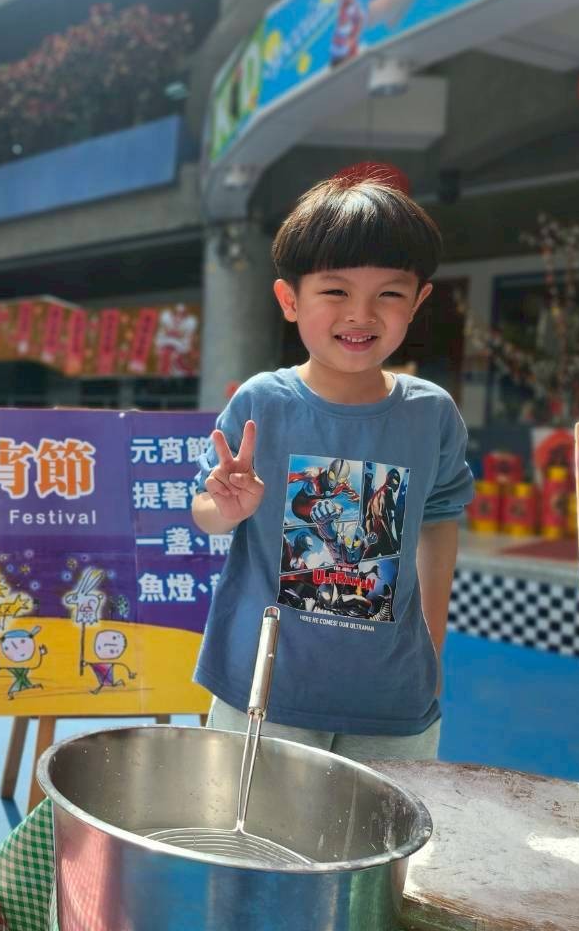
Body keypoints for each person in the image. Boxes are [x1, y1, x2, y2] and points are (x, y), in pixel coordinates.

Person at [191, 175, 473, 762]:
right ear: (290, 299)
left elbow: (439, 520)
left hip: (392, 700)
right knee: (251, 825)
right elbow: (205, 511)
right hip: (264, 694)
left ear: (418, 301)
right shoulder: (261, 402)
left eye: (389, 293)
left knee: (386, 827)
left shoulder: (432, 413)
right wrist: (226, 506)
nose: (361, 314)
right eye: (336, 291)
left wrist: (434, 644)